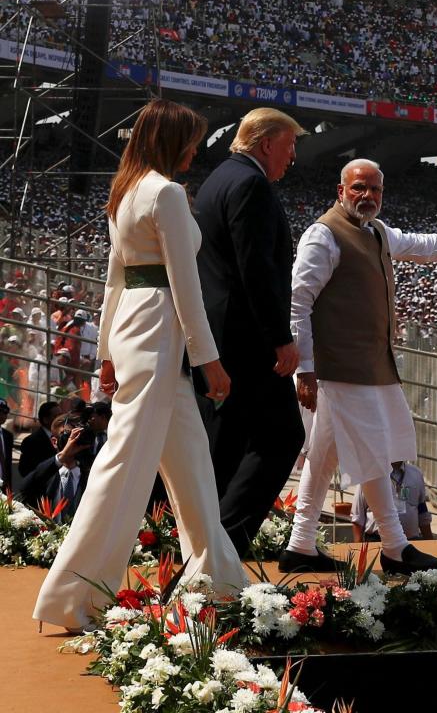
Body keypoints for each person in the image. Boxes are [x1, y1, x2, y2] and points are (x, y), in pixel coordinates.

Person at [34, 99, 248, 633]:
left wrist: (107, 350)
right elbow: (185, 284)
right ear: (173, 139)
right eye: (192, 139)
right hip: (158, 335)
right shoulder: (167, 193)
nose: (197, 149)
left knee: (192, 462)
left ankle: (222, 581)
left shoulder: (127, 190)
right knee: (123, 466)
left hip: (136, 330)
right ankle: (72, 596)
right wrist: (210, 362)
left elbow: (113, 281)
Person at [283, 158, 437, 575]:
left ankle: (300, 543)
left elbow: (422, 246)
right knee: (376, 451)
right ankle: (394, 545)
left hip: (369, 365)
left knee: (324, 456)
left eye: (374, 189)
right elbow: (298, 302)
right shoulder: (323, 235)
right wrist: (306, 368)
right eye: (358, 188)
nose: (367, 196)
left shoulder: (377, 232)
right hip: (341, 369)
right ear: (341, 191)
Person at [192, 108, 307, 557]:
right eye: (289, 145)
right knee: (281, 437)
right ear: (265, 144)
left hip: (224, 336)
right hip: (248, 338)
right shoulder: (251, 184)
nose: (293, 156)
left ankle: (205, 549)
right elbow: (254, 269)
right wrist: (281, 336)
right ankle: (224, 546)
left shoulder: (221, 176)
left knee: (228, 446)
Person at [18, 413, 90, 520]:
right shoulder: (45, 474)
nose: (72, 440)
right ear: (54, 441)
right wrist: (62, 456)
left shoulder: (91, 474)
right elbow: (23, 490)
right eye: (68, 435)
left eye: (76, 435)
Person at [352, 461, 432, 543]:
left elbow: (422, 513)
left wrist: (431, 543)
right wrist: (357, 546)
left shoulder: (416, 474)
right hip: (377, 541)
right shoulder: (369, 474)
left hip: (411, 542)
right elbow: (358, 515)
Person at [16, 400, 59, 485]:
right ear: (46, 419)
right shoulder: (31, 441)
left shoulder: (63, 437)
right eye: (56, 416)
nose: (60, 419)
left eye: (61, 415)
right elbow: (25, 471)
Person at [0, 399, 12, 492]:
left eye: (5, 411)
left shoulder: (7, 436)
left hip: (4, 487)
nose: (3, 414)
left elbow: (7, 465)